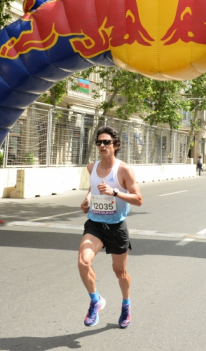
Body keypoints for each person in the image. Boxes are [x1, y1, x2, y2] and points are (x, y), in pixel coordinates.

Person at [79, 126, 142, 329]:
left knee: (120, 272)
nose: (102, 146)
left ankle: (126, 304)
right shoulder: (92, 167)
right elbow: (93, 186)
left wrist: (115, 192)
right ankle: (95, 300)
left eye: (106, 142)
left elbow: (138, 199)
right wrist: (87, 199)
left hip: (116, 227)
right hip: (95, 224)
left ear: (115, 145)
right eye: (99, 142)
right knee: (83, 261)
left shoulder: (123, 170)